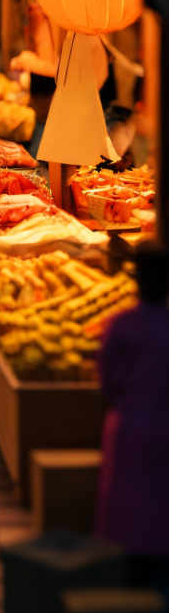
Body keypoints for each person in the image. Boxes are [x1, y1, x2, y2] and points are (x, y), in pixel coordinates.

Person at [97, 243, 169, 581]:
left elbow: (107, 382)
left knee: (127, 502)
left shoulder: (119, 325)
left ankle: (128, 584)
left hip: (128, 426)